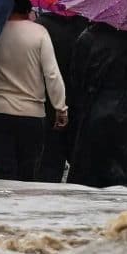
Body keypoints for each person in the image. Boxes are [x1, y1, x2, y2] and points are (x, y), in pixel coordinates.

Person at [0, 0, 67, 182]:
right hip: (32, 115)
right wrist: (60, 108)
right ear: (27, 9)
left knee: (2, 175)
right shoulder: (40, 33)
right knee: (27, 175)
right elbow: (52, 74)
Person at [68, 23, 127, 188]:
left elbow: (76, 78)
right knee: (126, 183)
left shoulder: (88, 36)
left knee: (89, 179)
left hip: (94, 111)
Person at [33, 12, 87, 183]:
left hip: (47, 100)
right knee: (79, 161)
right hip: (80, 100)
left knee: (48, 160)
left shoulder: (42, 26)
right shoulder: (86, 27)